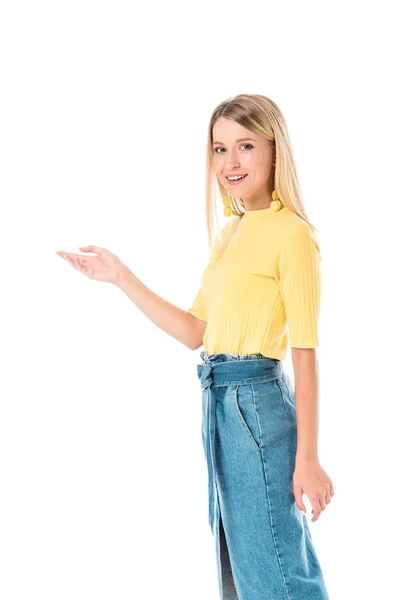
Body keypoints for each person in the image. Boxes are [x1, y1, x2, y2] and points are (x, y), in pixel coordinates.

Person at [56, 93, 334, 600]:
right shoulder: (232, 233)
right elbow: (196, 332)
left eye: (245, 146)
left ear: (275, 150)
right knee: (242, 563)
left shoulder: (291, 234)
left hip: (256, 404)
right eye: (219, 148)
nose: (230, 162)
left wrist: (308, 459)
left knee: (275, 561)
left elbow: (306, 355)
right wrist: (121, 277)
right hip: (219, 403)